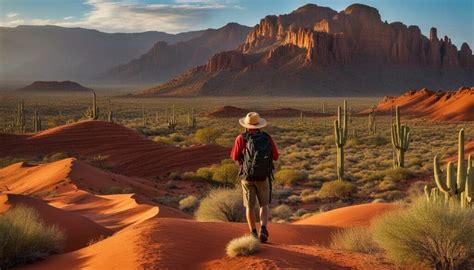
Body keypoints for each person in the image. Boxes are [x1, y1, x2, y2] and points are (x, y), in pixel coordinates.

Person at [231, 112, 279, 243]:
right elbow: (276, 156)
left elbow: (235, 157)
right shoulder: (266, 137)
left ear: (246, 125)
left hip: (247, 177)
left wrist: (245, 163)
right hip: (263, 177)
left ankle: (253, 233)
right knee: (264, 205)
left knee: (249, 206)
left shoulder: (241, 138)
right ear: (260, 125)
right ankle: (263, 228)